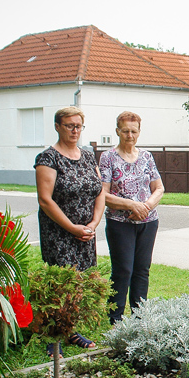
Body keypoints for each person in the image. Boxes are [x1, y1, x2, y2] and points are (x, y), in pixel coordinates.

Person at [34, 106, 104, 356]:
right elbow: (45, 200)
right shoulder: (48, 158)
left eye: (79, 126)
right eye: (69, 126)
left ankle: (71, 329)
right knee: (61, 284)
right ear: (57, 126)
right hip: (60, 232)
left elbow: (99, 192)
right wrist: (72, 227)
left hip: (85, 232)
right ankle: (53, 337)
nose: (75, 130)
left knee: (81, 282)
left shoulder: (87, 156)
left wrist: (93, 224)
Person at [100, 112, 165, 324]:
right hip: (120, 223)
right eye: (125, 130)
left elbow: (159, 188)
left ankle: (139, 318)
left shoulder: (146, 156)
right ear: (117, 131)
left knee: (142, 270)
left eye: (133, 131)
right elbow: (104, 194)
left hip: (148, 221)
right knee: (123, 270)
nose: (129, 135)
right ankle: (115, 319)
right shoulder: (108, 157)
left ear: (139, 132)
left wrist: (146, 206)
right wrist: (131, 205)